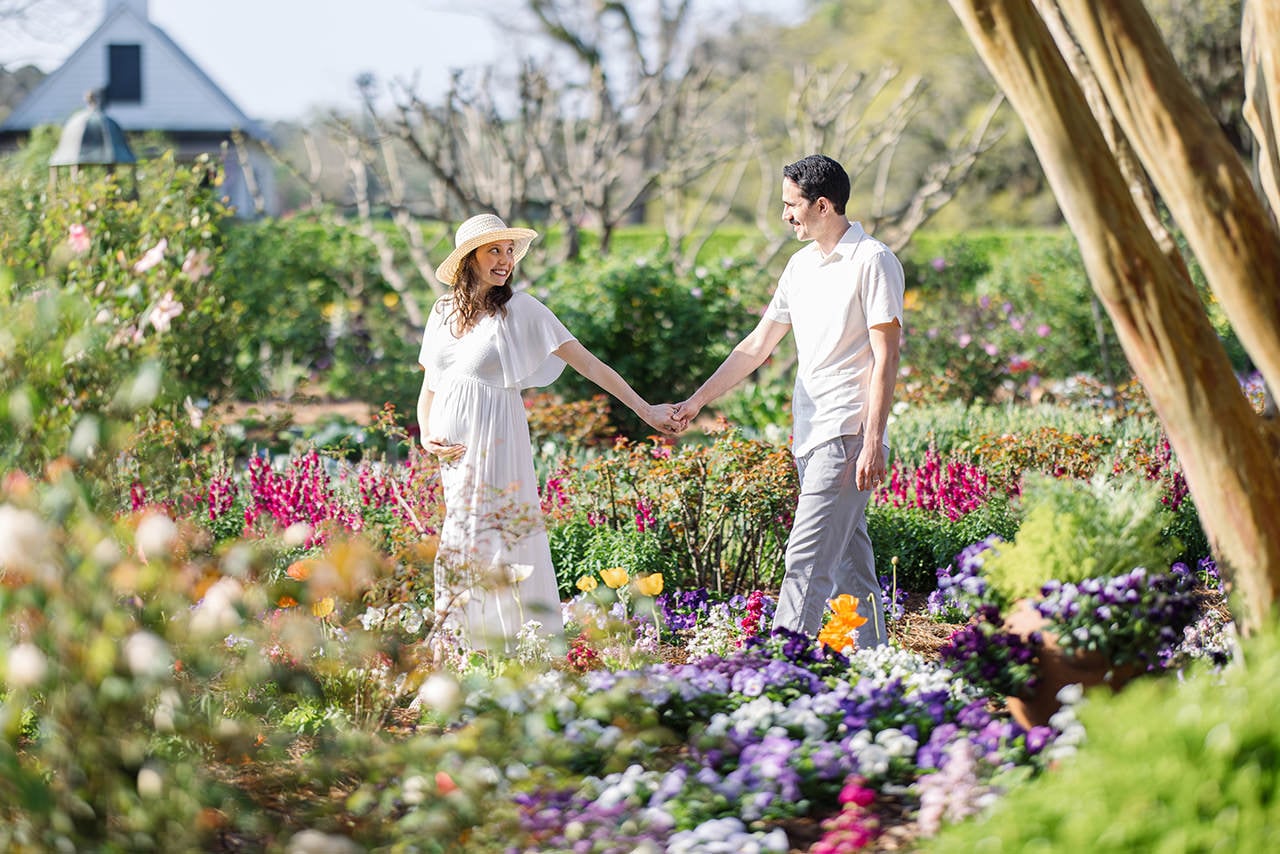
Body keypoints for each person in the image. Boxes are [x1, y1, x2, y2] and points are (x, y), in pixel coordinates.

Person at [418, 213, 680, 652]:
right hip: (455, 457)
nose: (504, 260)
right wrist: (426, 433)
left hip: (497, 441)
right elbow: (429, 384)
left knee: (500, 534)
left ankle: (515, 644)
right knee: (461, 535)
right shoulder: (442, 311)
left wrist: (644, 409)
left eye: (508, 251)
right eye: (493, 251)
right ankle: (461, 643)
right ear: (469, 259)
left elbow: (590, 364)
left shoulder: (520, 310)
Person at [673, 154, 905, 648]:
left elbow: (886, 359)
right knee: (849, 565)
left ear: (823, 205)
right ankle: (877, 668)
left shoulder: (873, 260)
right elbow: (757, 347)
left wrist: (872, 441)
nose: (785, 215)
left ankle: (782, 667)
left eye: (791, 205)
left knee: (805, 559)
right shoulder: (800, 266)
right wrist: (696, 401)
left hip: (846, 432)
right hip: (811, 434)